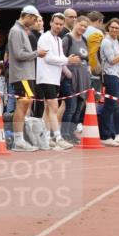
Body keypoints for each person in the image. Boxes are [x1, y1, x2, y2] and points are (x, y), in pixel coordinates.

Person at [6, 6, 49, 152]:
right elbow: (18, 54)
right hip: (22, 74)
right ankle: (18, 140)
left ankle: (20, 139)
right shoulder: (17, 31)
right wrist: (36, 53)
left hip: (26, 74)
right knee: (23, 104)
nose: (35, 22)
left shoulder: (20, 30)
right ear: (28, 16)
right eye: (34, 19)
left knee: (25, 104)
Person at [35, 13, 80, 150]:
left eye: (61, 24)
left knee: (49, 109)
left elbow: (60, 59)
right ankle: (58, 138)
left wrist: (69, 73)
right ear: (51, 23)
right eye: (56, 24)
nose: (59, 26)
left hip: (54, 79)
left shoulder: (59, 40)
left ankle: (45, 137)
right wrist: (68, 60)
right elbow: (48, 58)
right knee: (53, 108)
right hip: (45, 77)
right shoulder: (45, 37)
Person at [61, 15, 92, 141]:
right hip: (70, 79)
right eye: (81, 25)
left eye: (85, 26)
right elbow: (60, 58)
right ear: (75, 23)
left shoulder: (84, 39)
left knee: (79, 109)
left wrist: (89, 67)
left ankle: (72, 133)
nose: (83, 28)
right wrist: (67, 72)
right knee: (71, 108)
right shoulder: (67, 39)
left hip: (83, 79)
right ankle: (65, 134)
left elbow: (87, 58)